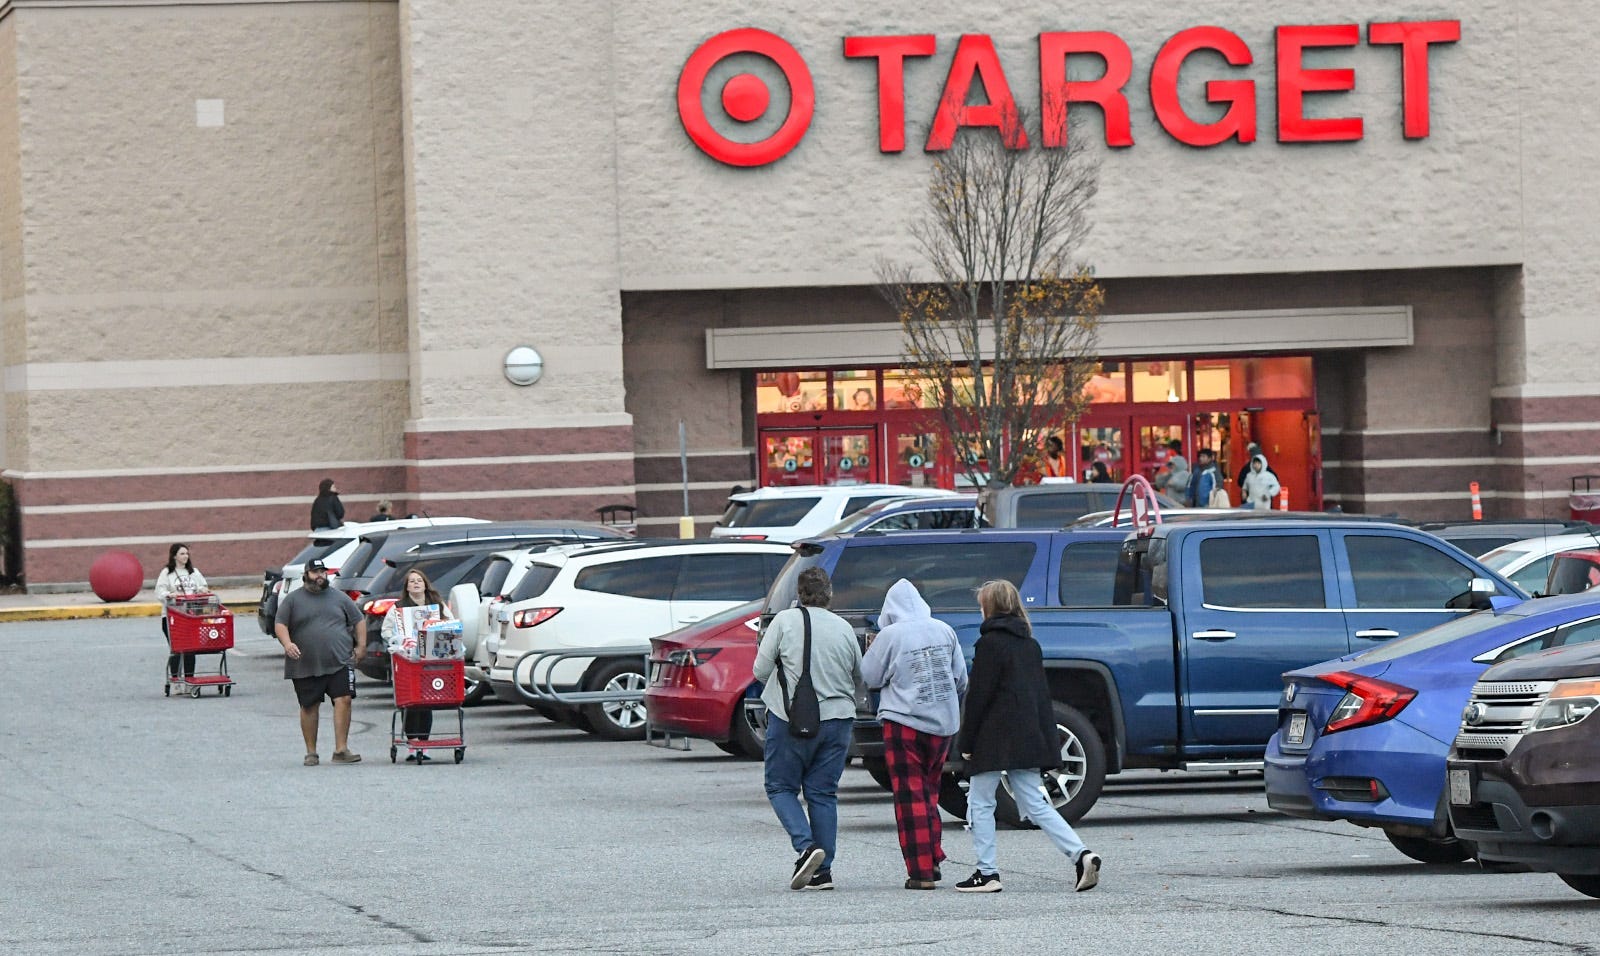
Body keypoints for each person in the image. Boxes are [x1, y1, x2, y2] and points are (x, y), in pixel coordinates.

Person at [956, 580, 1102, 894]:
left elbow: (979, 696)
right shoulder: (1030, 644)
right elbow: (1039, 696)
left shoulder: (989, 644)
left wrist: (966, 742)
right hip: (1026, 735)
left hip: (993, 737)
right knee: (1036, 804)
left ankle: (987, 872)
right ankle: (1080, 854)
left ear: (990, 607)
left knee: (980, 802)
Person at [752, 567, 863, 891]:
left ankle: (805, 846)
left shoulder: (784, 622)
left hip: (790, 719)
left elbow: (759, 670)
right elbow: (860, 675)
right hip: (838, 720)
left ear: (798, 594)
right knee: (823, 793)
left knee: (780, 787)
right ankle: (822, 871)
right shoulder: (843, 628)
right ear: (829, 594)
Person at [861, 579, 968, 890]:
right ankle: (932, 855)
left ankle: (921, 870)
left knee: (910, 796)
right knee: (929, 793)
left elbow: (870, 676)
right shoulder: (944, 629)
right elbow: (959, 678)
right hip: (943, 724)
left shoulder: (890, 635)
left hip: (904, 722)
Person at [274, 559, 367, 766]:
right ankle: (311, 752)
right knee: (309, 706)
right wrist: (287, 644)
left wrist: (361, 646)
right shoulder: (293, 599)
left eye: (323, 572)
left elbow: (358, 620)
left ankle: (341, 749)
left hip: (340, 660)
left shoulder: (339, 598)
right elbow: (280, 623)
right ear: (305, 575)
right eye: (315, 572)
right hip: (304, 663)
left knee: (344, 699)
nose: (320, 576)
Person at [381, 567, 454, 762]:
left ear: (425, 584)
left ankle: (425, 743)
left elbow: (451, 626)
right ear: (407, 586)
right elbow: (386, 630)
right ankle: (413, 743)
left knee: (426, 701)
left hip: (431, 661)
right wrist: (398, 640)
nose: (415, 583)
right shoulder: (398, 608)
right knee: (410, 701)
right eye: (411, 581)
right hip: (408, 661)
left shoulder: (437, 606)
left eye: (419, 580)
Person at [155, 543, 208, 687]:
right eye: (182, 554)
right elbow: (159, 592)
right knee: (177, 648)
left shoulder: (194, 572)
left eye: (187, 553)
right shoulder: (167, 573)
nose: (185, 556)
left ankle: (189, 680)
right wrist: (170, 595)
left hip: (191, 616)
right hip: (173, 617)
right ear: (174, 556)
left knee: (191, 648)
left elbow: (203, 587)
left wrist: (202, 591)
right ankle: (175, 680)